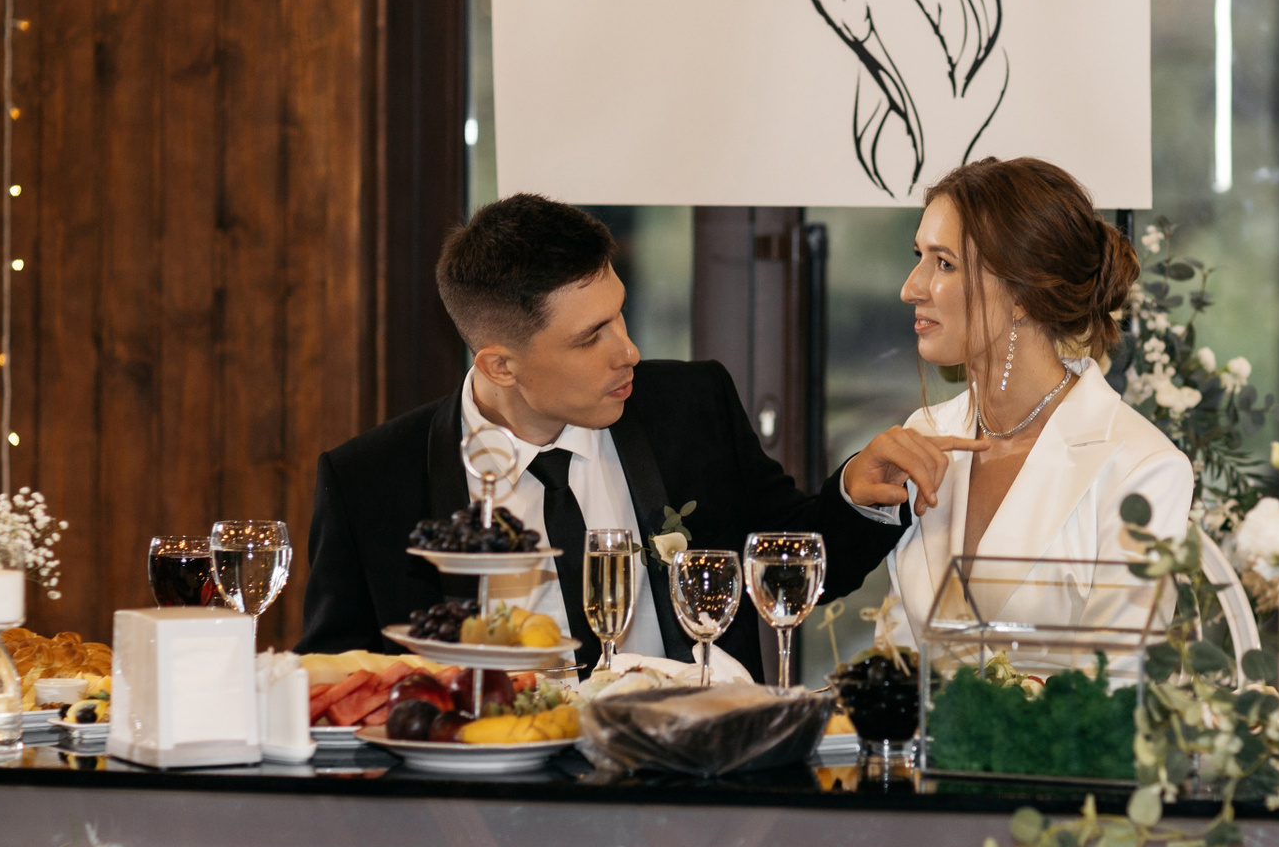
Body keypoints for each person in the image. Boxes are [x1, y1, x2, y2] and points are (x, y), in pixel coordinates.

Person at [299, 193, 976, 678]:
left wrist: (856, 493)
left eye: (620, 315)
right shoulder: (371, 484)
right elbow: (335, 680)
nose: (628, 351)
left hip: (690, 794)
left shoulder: (689, 406)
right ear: (501, 365)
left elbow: (785, 568)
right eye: (591, 337)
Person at [851, 157, 1195, 670]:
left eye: (944, 264)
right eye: (919, 256)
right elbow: (899, 660)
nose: (910, 287)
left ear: (1022, 296)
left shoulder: (1142, 467)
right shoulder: (925, 436)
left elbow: (1115, 685)